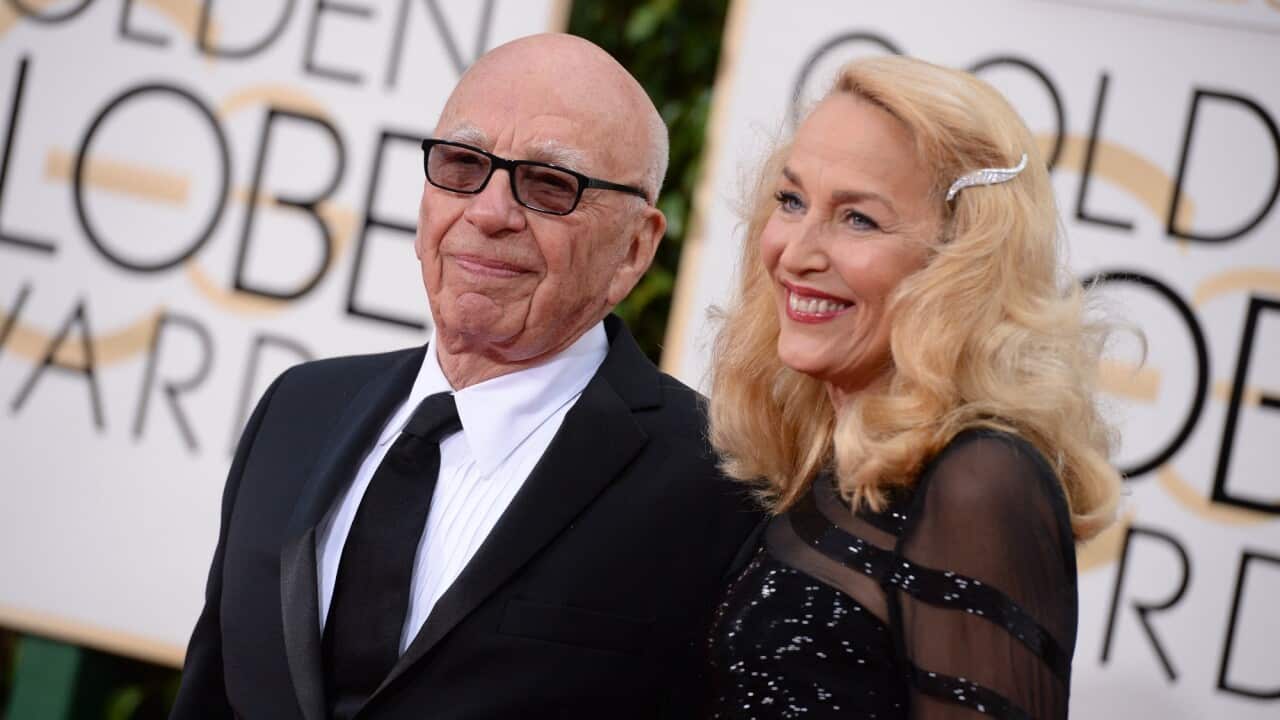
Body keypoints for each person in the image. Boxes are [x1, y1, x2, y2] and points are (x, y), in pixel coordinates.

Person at [171, 33, 760, 719]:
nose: (488, 212)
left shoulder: (717, 485)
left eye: (549, 186)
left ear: (634, 248)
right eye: (461, 164)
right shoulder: (297, 410)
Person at [704, 55, 1123, 719]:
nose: (796, 250)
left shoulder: (980, 482)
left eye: (858, 219)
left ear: (961, 262)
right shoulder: (833, 455)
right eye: (792, 200)